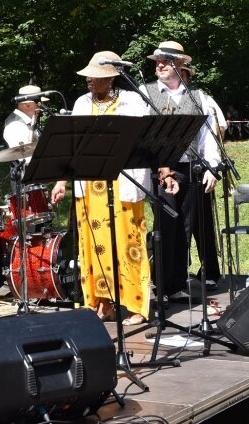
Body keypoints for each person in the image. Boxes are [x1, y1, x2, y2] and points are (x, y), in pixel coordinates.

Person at [50, 51, 153, 325]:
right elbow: (71, 145)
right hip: (91, 186)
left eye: (94, 76)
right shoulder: (82, 103)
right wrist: (62, 181)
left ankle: (135, 306)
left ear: (110, 77)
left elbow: (145, 140)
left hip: (122, 182)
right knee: (96, 246)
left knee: (126, 241)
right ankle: (102, 302)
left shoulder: (132, 101)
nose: (88, 81)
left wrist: (163, 171)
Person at [141, 41, 221, 303]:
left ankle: (177, 284)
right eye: (157, 61)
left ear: (180, 65)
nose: (160, 64)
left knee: (185, 226)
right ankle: (162, 286)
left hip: (190, 168)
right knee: (166, 225)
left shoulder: (198, 97)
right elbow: (142, 136)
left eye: (165, 60)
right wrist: (161, 167)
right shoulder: (145, 92)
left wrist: (212, 167)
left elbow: (208, 137)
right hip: (160, 170)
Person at [181, 62, 225, 291]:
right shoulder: (152, 94)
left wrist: (211, 166)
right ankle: (177, 275)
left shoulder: (202, 98)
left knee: (203, 223)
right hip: (169, 168)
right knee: (177, 226)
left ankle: (209, 271)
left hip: (198, 165)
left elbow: (219, 130)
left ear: (185, 73)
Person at [3, 84, 47, 152]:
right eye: (39, 104)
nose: (41, 108)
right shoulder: (15, 125)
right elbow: (26, 157)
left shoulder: (28, 121)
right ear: (27, 105)